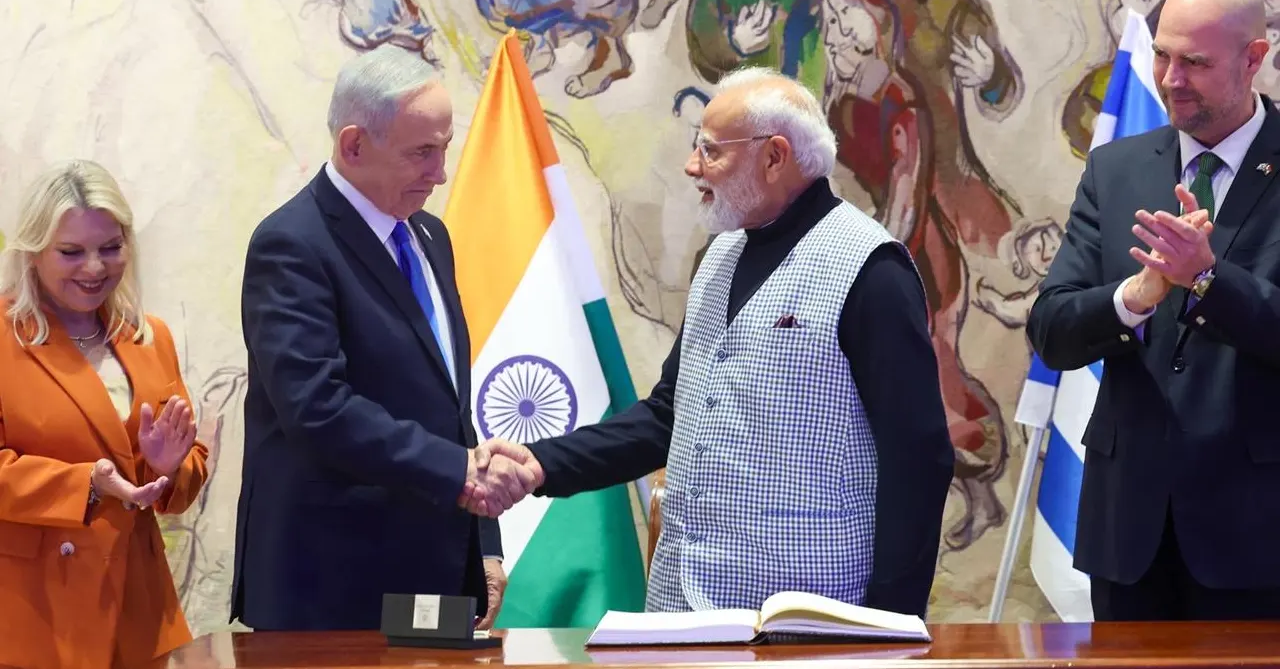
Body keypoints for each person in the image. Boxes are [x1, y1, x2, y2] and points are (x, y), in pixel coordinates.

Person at [467, 67, 954, 618]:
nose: (692, 166)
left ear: (774, 157)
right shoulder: (721, 256)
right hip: (681, 610)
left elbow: (919, 459)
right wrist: (540, 463)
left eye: (710, 150)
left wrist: (889, 623)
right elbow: (668, 416)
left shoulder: (872, 270)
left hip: (808, 620)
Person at [231, 44, 537, 632]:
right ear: (353, 145)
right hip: (331, 585)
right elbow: (317, 409)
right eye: (422, 152)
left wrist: (485, 544)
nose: (440, 172)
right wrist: (462, 473)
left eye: (444, 149)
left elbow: (449, 408)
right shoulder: (292, 244)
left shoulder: (429, 236)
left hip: (436, 569)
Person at [1027, 0, 1280, 621]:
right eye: (1162, 56)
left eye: (1194, 62)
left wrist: (1206, 277)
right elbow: (1051, 328)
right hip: (1128, 531)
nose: (1170, 79)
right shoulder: (1117, 167)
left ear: (1255, 57)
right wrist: (1136, 294)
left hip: (1256, 537)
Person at [0, 160, 208, 669]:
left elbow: (185, 472)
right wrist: (85, 485)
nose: (95, 268)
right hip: (34, 615)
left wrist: (166, 467)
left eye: (110, 248)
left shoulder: (148, 336)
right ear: (32, 252)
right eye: (71, 252)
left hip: (139, 611)